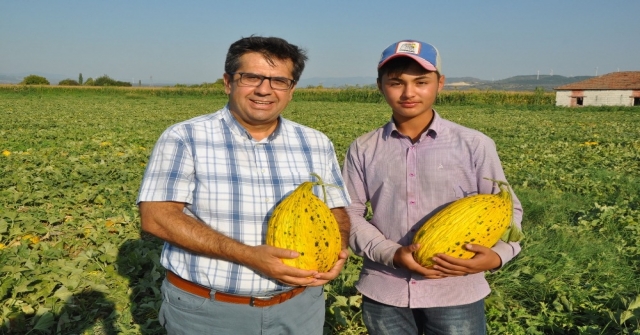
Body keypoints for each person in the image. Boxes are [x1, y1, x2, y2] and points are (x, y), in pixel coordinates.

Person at [137, 35, 351, 335]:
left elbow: (337, 209)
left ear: (291, 90)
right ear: (228, 82)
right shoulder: (184, 137)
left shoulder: (316, 142)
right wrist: (249, 256)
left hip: (300, 308)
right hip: (209, 312)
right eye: (251, 77)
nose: (264, 89)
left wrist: (336, 252)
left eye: (279, 81)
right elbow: (156, 217)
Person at [342, 39, 523, 335]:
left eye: (421, 81)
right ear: (380, 86)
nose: (409, 92)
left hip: (455, 288)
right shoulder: (363, 148)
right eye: (396, 82)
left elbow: (507, 208)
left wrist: (499, 254)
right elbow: (349, 213)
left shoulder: (474, 145)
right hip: (385, 288)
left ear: (440, 84)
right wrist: (391, 253)